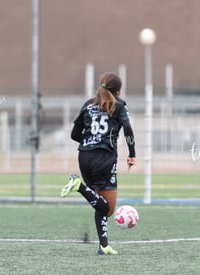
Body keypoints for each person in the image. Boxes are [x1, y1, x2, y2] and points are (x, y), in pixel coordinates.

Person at [60, 72, 136, 255]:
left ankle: (103, 245)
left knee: (99, 202)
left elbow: (74, 135)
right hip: (104, 158)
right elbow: (127, 129)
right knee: (108, 209)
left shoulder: (88, 105)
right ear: (118, 91)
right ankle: (79, 186)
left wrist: (90, 141)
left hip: (84, 156)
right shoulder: (119, 105)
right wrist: (132, 154)